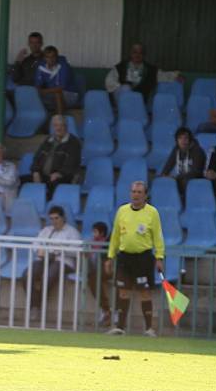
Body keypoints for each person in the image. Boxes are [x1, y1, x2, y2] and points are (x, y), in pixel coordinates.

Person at [105, 181, 165, 337]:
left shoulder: (152, 212)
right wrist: (110, 256)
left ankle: (149, 329)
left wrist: (159, 257)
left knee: (144, 292)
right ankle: (120, 327)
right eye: (133, 191)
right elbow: (115, 236)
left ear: (145, 195)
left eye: (139, 192)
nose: (135, 195)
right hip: (124, 257)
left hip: (143, 257)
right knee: (123, 292)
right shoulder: (122, 211)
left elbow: (158, 236)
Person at [29, 206, 82, 320]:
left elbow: (76, 251)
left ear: (63, 218)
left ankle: (35, 306)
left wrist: (59, 250)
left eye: (56, 218)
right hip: (45, 260)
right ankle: (35, 305)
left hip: (63, 261)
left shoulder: (72, 232)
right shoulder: (46, 230)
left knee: (49, 276)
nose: (54, 221)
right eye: (52, 219)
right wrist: (39, 250)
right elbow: (35, 245)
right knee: (28, 274)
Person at [21, 115, 81, 200]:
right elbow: (36, 157)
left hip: (63, 176)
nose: (58, 128)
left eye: (61, 125)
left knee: (53, 183)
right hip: (45, 175)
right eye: (56, 125)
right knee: (20, 181)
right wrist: (35, 171)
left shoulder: (73, 142)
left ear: (66, 127)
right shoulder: (48, 140)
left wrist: (60, 173)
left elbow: (71, 163)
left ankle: (48, 207)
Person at [104, 43, 181, 103]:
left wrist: (175, 76)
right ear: (130, 54)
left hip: (140, 103)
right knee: (125, 88)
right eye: (135, 52)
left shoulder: (151, 69)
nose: (137, 55)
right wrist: (124, 88)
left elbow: (163, 76)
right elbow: (109, 81)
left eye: (140, 53)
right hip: (123, 101)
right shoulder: (120, 67)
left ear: (144, 55)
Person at [159, 126, 205, 196]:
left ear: (190, 139)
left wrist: (176, 177)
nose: (183, 141)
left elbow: (196, 172)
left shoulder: (198, 151)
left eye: (185, 138)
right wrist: (163, 175)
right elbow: (168, 166)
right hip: (181, 178)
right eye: (180, 138)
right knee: (163, 180)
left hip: (196, 180)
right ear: (176, 140)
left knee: (185, 181)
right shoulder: (176, 149)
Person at [34, 46, 79, 115]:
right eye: (47, 57)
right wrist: (38, 91)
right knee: (32, 95)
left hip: (69, 94)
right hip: (50, 93)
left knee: (57, 94)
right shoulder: (41, 67)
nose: (51, 59)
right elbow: (38, 85)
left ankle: (60, 119)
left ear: (57, 57)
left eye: (53, 57)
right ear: (44, 58)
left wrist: (42, 91)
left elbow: (60, 88)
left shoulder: (64, 66)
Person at [86, 221, 112, 326]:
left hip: (114, 267)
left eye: (95, 232)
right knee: (92, 278)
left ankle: (110, 312)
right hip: (98, 269)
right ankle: (106, 310)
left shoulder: (104, 242)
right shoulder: (92, 242)